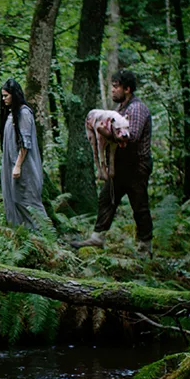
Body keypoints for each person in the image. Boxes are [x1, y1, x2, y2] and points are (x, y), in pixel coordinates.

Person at [71, 70, 153, 257]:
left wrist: (105, 133)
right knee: (107, 199)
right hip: (121, 166)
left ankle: (145, 248)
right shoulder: (120, 110)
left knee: (139, 206)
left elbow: (131, 137)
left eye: (116, 87)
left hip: (137, 166)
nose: (113, 90)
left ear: (127, 89)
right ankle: (97, 237)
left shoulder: (136, 109)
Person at [0, 78, 50, 229]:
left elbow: (25, 142)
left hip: (24, 165)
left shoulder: (24, 113)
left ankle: (45, 234)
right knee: (13, 198)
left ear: (14, 95)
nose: (3, 99)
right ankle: (23, 234)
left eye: (6, 96)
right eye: (2, 96)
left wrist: (18, 165)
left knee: (28, 199)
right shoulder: (11, 114)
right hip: (11, 163)